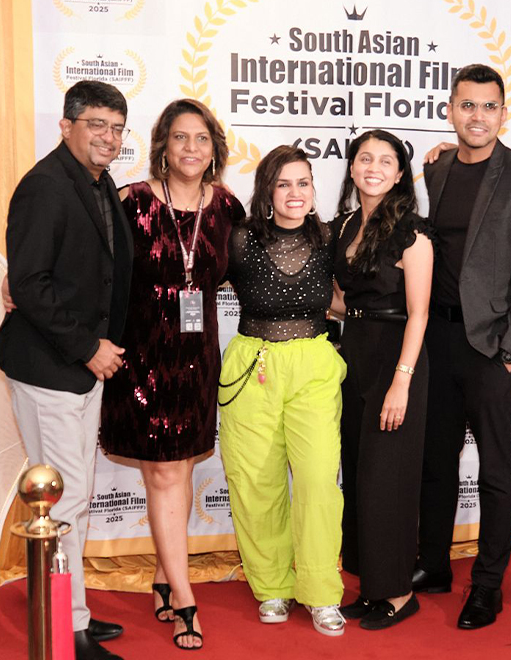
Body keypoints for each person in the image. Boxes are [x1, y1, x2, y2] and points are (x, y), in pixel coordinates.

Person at [414, 63, 511, 630]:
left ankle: (488, 585)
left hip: (492, 345)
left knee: (496, 468)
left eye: (488, 106)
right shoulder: (438, 169)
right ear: (451, 109)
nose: (478, 116)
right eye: (467, 105)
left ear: (503, 112)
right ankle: (433, 564)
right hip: (436, 338)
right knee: (435, 460)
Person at [98, 98, 244, 650]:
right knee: (163, 475)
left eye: (201, 138)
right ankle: (184, 598)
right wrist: (19, 278)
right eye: (180, 137)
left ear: (214, 149)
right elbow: (90, 263)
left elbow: (257, 268)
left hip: (197, 361)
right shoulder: (131, 202)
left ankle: (163, 574)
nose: (191, 148)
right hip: (141, 359)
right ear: (163, 144)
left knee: (179, 472)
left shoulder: (227, 207)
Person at [0, 80, 132, 660]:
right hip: (51, 367)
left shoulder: (100, 184)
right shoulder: (45, 185)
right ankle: (62, 628)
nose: (108, 137)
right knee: (61, 503)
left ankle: (72, 614)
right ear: (66, 125)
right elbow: (29, 283)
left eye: (117, 128)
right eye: (97, 124)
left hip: (80, 368)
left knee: (72, 498)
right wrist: (87, 347)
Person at [218, 146, 348, 636]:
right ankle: (272, 584)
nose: (295, 193)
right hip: (251, 366)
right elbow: (187, 275)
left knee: (317, 481)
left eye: (304, 182)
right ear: (267, 192)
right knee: (256, 481)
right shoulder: (239, 238)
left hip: (313, 364)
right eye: (284, 184)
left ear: (314, 189)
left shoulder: (331, 237)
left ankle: (320, 590)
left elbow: (353, 296)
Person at [330, 130, 433, 630]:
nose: (373, 168)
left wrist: (402, 382)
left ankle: (398, 592)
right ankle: (372, 586)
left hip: (397, 358)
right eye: (365, 159)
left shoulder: (413, 232)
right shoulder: (343, 226)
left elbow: (419, 314)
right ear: (352, 168)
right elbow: (341, 301)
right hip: (353, 357)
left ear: (398, 174)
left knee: (385, 481)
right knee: (357, 475)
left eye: (385, 161)